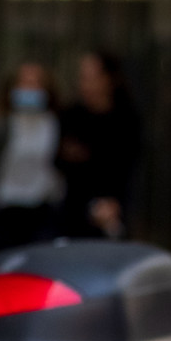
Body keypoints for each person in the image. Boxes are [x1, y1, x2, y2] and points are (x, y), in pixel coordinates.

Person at [0, 60, 62, 251]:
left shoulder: (54, 124)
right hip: (7, 210)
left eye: (36, 83)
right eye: (24, 83)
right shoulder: (0, 125)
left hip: (41, 211)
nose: (30, 89)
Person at [58, 48, 143, 239]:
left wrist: (114, 204)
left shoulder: (126, 120)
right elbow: (58, 161)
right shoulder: (71, 116)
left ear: (108, 79)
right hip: (74, 214)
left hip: (112, 214)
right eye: (82, 77)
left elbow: (128, 166)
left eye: (91, 77)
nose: (85, 84)